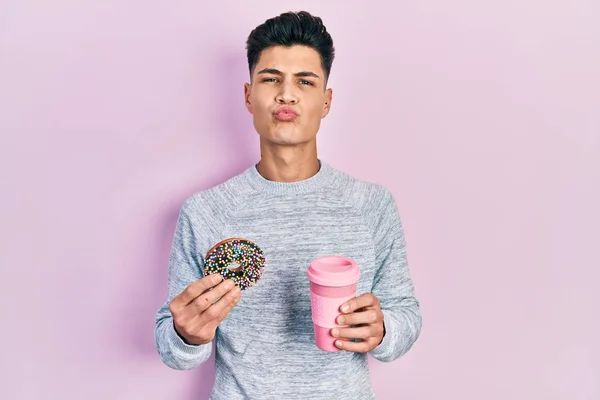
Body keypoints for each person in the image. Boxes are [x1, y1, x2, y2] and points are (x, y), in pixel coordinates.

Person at [154, 10, 422, 399]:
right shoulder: (205, 211)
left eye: (305, 81)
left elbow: (405, 316)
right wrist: (185, 333)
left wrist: (383, 330)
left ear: (326, 101)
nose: (287, 94)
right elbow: (172, 346)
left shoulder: (371, 205)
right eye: (270, 78)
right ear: (248, 96)